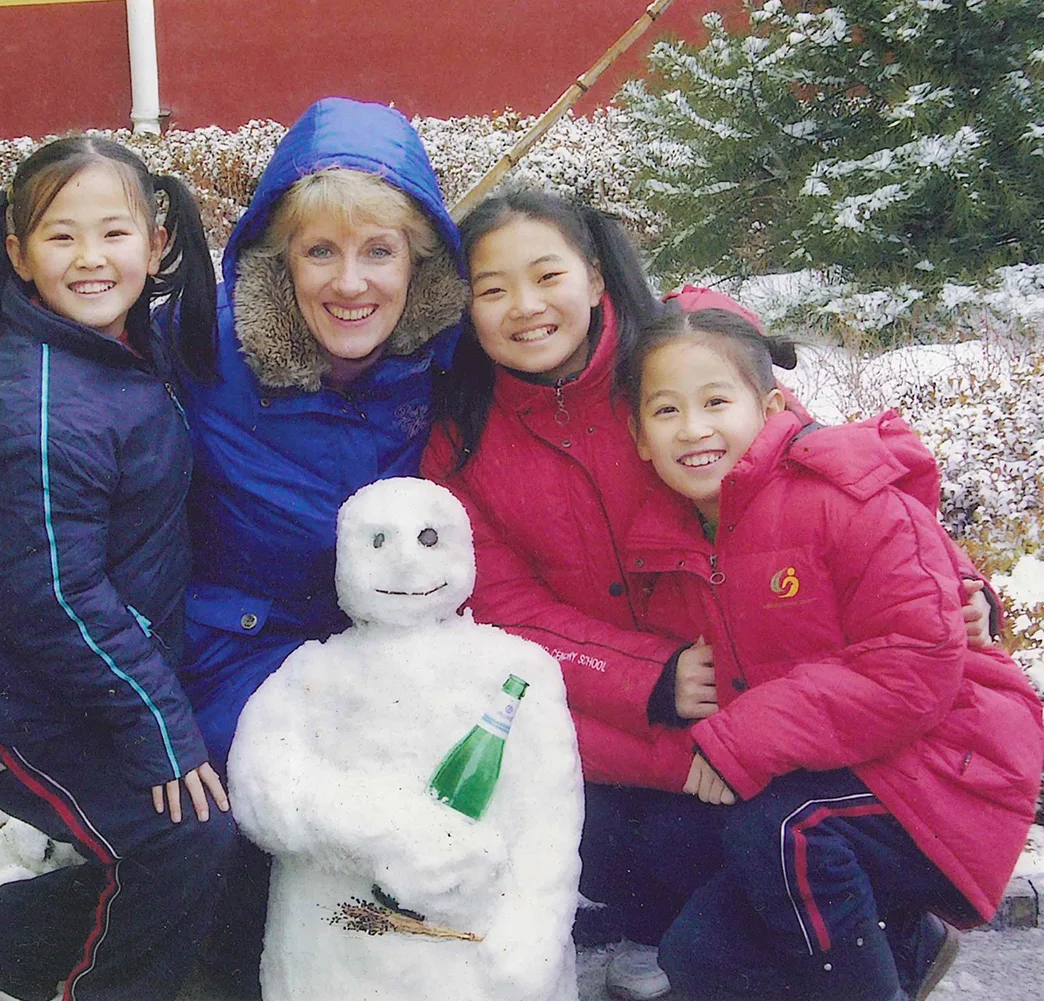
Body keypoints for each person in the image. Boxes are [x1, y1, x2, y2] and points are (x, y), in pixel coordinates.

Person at [421, 188, 1003, 1001]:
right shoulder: (465, 436)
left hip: (779, 684)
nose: (525, 306)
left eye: (547, 274)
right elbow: (505, 609)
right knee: (634, 839)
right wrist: (643, 673)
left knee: (763, 843)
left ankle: (862, 930)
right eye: (493, 288)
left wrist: (960, 583)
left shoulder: (679, 356)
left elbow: (825, 469)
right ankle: (785, 933)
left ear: (592, 277)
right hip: (648, 707)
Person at [617, 291, 1043, 1001]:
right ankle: (905, 940)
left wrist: (744, 735)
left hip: (955, 761)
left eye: (716, 401)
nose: (693, 428)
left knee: (780, 825)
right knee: (698, 954)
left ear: (773, 405)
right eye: (666, 410)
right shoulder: (678, 537)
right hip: (851, 764)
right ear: (638, 435)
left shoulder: (839, 497)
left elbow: (914, 665)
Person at [0, 136, 235, 1001]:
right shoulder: (39, 405)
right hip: (23, 708)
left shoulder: (115, 350)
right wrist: (164, 734)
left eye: (114, 233)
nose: (91, 259)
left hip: (82, 683)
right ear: (17, 253)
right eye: (61, 237)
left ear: (158, 241)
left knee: (214, 818)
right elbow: (58, 600)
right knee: (187, 834)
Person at [160, 97, 467, 994]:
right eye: (319, 251)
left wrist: (736, 380)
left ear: (419, 261)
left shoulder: (447, 354)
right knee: (286, 813)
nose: (351, 283)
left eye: (380, 251)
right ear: (278, 258)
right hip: (232, 646)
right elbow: (53, 373)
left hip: (383, 654)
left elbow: (586, 352)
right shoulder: (199, 344)